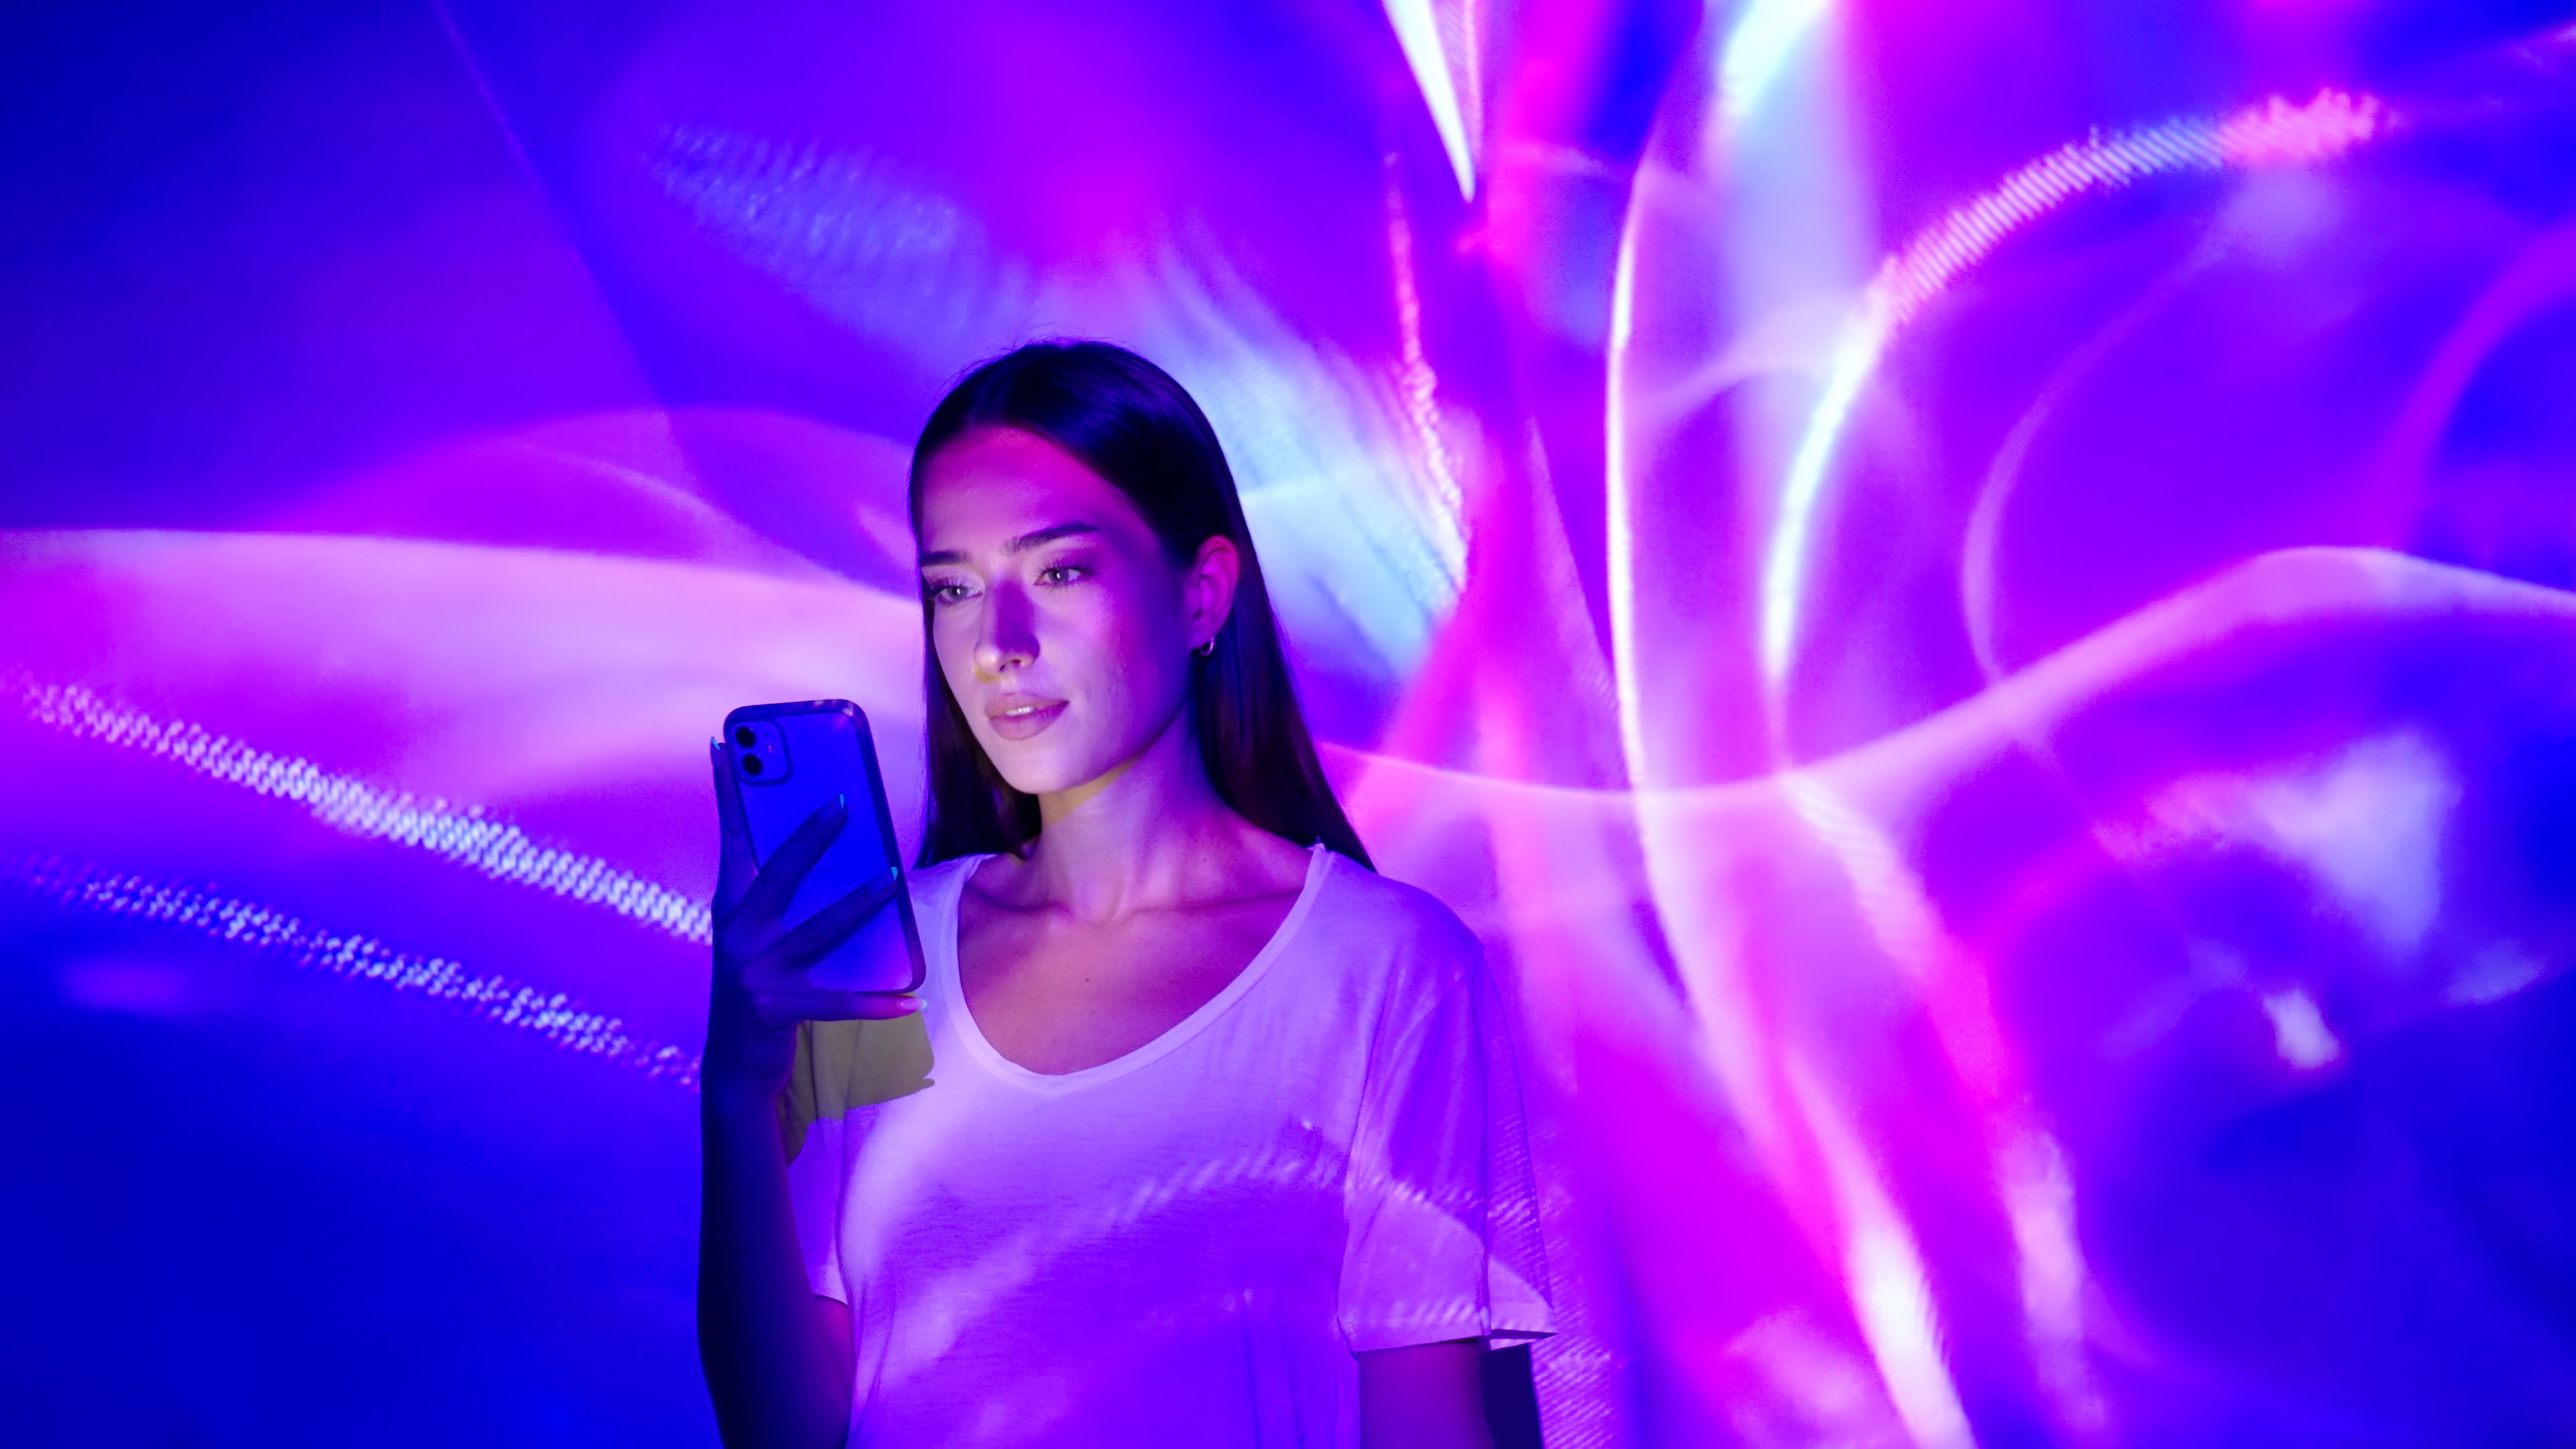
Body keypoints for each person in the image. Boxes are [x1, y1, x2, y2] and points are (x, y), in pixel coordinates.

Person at [696, 341, 1550, 1448]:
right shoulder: (875, 968)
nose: (1000, 645)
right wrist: (734, 1094)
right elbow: (786, 1435)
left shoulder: (1383, 967)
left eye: (1059, 573)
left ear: (1202, 596)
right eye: (954, 588)